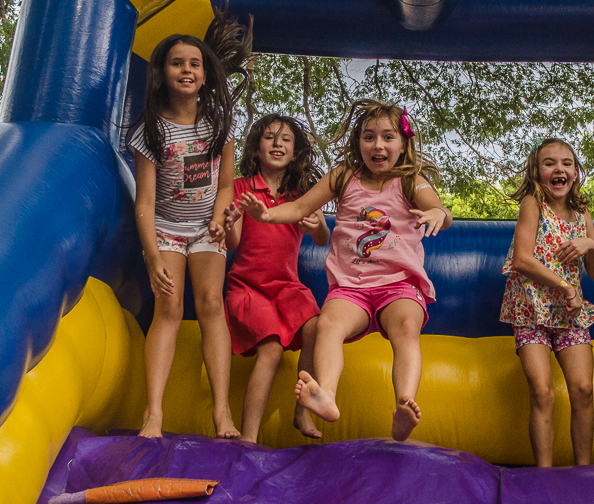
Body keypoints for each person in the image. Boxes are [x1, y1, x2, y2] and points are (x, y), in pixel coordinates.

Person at [238, 100, 452, 442]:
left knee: (407, 328)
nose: (378, 145)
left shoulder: (411, 180)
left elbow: (438, 208)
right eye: (369, 137)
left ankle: (403, 404)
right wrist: (267, 216)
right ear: (358, 142)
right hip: (351, 287)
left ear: (403, 143)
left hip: (397, 284)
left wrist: (439, 215)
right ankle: (326, 397)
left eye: (387, 137)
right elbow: (298, 206)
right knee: (328, 325)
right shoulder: (343, 176)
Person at [126, 16, 251, 439]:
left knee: (212, 305)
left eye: (194, 64)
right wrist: (153, 254)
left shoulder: (219, 123)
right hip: (164, 228)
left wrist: (220, 215)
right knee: (170, 309)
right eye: (177, 63)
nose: (186, 70)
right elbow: (144, 202)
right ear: (163, 73)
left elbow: (228, 183)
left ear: (204, 75)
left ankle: (222, 413)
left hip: (205, 228)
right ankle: (153, 415)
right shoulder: (152, 131)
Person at [223, 114, 330, 443]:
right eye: (269, 138)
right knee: (271, 350)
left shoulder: (300, 197)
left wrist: (319, 226)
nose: (277, 144)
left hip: (286, 288)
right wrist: (230, 221)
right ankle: (249, 439)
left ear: (296, 153)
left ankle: (303, 410)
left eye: (285, 140)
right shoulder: (241, 187)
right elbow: (234, 244)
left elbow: (323, 239)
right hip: (248, 289)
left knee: (316, 326)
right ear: (256, 148)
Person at [499, 138, 594, 466]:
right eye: (549, 163)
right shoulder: (533, 203)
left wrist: (590, 244)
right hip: (530, 310)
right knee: (542, 392)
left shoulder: (582, 212)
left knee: (583, 389)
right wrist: (565, 286)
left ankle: (583, 470)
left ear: (575, 172)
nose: (559, 169)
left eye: (567, 163)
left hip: (568, 315)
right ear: (537, 171)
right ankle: (544, 474)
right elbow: (522, 260)